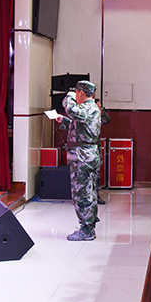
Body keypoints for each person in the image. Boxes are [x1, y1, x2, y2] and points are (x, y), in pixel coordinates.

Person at [57, 80, 102, 241]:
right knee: (87, 191)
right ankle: (88, 224)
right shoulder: (88, 109)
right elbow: (83, 127)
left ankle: (87, 229)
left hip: (83, 156)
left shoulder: (88, 108)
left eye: (76, 92)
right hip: (84, 154)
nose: (74, 95)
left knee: (82, 193)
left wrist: (67, 97)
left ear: (81, 93)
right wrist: (65, 122)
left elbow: (73, 111)